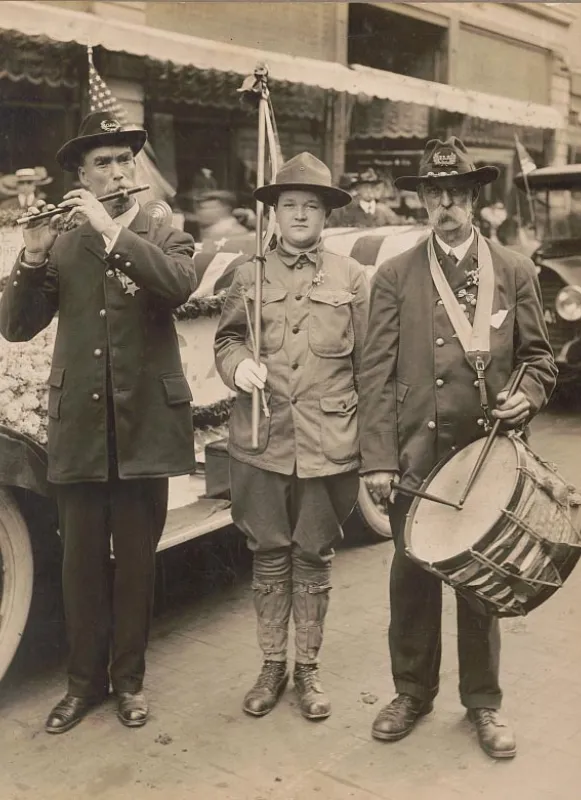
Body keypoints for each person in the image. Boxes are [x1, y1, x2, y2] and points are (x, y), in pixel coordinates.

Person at [358, 137, 557, 759]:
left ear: (473, 198)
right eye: (433, 194)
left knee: (483, 583)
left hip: (487, 456)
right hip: (416, 457)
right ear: (423, 201)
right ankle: (412, 692)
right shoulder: (394, 274)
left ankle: (484, 704)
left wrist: (527, 395)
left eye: (455, 194)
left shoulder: (516, 269)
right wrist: (380, 459)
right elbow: (375, 372)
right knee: (411, 579)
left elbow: (538, 360)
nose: (444, 205)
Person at [0, 111, 197, 734]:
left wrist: (113, 229)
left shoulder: (164, 226)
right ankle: (82, 686)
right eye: (102, 164)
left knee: (136, 560)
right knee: (78, 563)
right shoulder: (60, 237)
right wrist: (30, 259)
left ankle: (129, 683)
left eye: (123, 161)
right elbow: (15, 326)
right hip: (82, 429)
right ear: (80, 175)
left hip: (144, 426)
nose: (116, 171)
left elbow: (177, 286)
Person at [214, 152, 369, 721]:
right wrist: (237, 368)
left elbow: (371, 364)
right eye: (289, 205)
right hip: (263, 437)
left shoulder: (352, 278)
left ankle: (308, 669)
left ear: (327, 214)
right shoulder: (247, 274)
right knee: (269, 552)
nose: (299, 214)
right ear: (273, 213)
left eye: (311, 205)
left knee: (314, 553)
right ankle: (272, 664)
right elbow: (227, 340)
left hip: (330, 441)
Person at [327, 167, 401, 228]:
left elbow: (399, 226)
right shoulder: (347, 211)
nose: (370, 191)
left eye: (372, 187)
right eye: (365, 187)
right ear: (357, 189)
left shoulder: (384, 210)